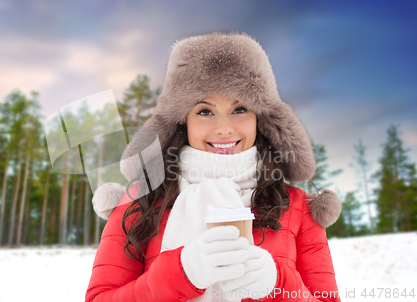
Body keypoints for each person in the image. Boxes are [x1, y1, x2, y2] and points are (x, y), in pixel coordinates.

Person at [85, 32, 342, 302]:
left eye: (240, 109)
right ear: (182, 121)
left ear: (261, 119)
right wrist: (180, 273)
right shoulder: (139, 201)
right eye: (204, 111)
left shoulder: (299, 208)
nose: (224, 129)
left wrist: (279, 285)